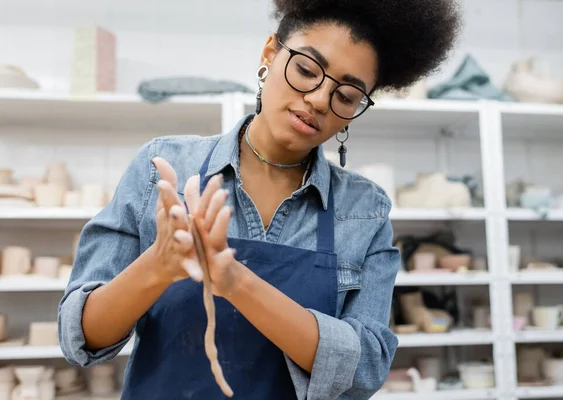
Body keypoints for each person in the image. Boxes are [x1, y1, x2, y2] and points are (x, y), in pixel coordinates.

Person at [58, 0, 461, 398]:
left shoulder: (364, 211)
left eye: (347, 96)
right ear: (270, 53)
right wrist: (158, 266)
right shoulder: (162, 168)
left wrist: (236, 282)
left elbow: (366, 368)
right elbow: (79, 336)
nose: (320, 99)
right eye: (306, 70)